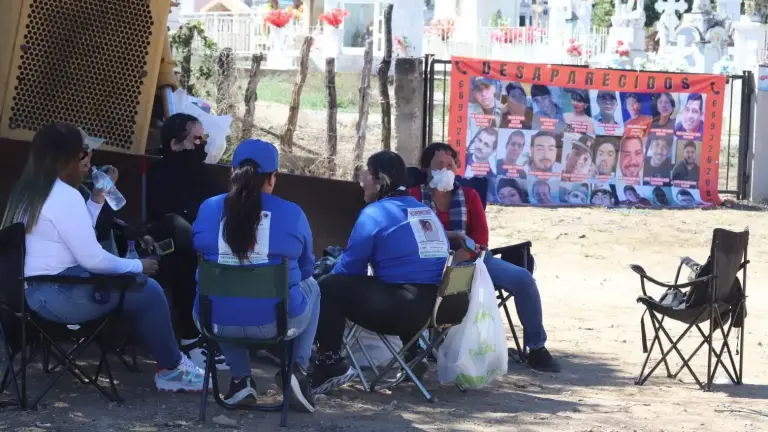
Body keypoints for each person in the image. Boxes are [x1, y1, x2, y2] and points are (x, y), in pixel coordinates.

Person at [2, 123, 207, 392]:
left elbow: (72, 234)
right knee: (149, 291)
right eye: (85, 151)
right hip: (59, 296)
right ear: (69, 157)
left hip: (29, 295)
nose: (89, 158)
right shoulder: (64, 195)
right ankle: (171, 368)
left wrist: (96, 199)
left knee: (134, 287)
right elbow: (92, 259)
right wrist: (138, 266)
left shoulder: (29, 191)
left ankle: (170, 363)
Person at [312, 151, 453, 394]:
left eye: (366, 172)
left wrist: (324, 270)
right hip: (432, 309)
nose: (361, 180)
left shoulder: (376, 213)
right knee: (393, 280)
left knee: (328, 286)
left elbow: (349, 268)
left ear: (381, 180)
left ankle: (329, 363)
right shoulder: (424, 211)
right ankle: (412, 353)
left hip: (400, 310)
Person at [409, 143, 559, 372]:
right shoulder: (414, 196)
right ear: (426, 169)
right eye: (439, 165)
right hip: (431, 263)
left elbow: (481, 237)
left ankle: (537, 348)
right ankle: (422, 348)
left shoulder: (468, 195)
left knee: (523, 279)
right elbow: (413, 235)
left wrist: (466, 252)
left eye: (450, 165)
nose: (445, 170)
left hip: (474, 258)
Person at [192, 139, 317, 411]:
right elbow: (307, 268)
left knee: (216, 294)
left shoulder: (208, 208)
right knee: (313, 287)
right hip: (277, 322)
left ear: (232, 173)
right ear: (272, 178)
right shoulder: (293, 213)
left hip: (214, 321)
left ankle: (240, 378)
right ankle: (297, 371)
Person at [146, 113, 228, 370]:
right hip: (171, 249)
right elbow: (164, 218)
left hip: (212, 247)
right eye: (196, 139)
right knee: (186, 253)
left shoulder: (203, 174)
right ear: (174, 144)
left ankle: (219, 335)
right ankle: (190, 338)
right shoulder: (161, 175)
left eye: (203, 138)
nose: (201, 145)